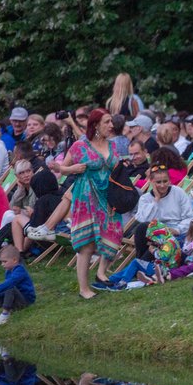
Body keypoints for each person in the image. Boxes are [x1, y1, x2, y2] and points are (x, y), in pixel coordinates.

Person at [50, 108, 122, 299]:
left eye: (111, 122)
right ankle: (84, 289)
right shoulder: (80, 146)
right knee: (87, 245)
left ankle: (100, 272)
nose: (111, 125)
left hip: (108, 196)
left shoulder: (113, 146)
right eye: (107, 122)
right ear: (96, 125)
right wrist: (71, 168)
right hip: (86, 196)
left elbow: (116, 167)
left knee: (114, 234)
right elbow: (62, 169)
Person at [132, 164, 193, 262]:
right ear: (151, 182)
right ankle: (140, 260)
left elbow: (190, 217)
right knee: (141, 228)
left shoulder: (178, 192)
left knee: (160, 243)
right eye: (158, 182)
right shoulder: (145, 198)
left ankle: (140, 265)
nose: (162, 185)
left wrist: (177, 230)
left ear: (169, 180)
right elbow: (143, 220)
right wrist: (156, 200)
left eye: (165, 181)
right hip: (154, 232)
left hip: (175, 231)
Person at [0, 245, 36, 327]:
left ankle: (5, 313)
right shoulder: (8, 270)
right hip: (16, 298)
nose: (2, 264)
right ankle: (8, 309)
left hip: (26, 300)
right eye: (1, 262)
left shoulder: (20, 270)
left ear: (14, 260)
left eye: (4, 261)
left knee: (9, 288)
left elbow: (10, 283)